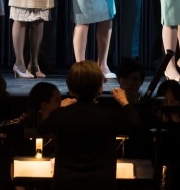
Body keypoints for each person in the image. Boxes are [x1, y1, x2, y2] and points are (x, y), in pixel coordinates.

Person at [41, 60, 142, 190]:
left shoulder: (60, 115)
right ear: (99, 87)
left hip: (66, 183)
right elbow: (136, 126)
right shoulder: (108, 116)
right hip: (100, 184)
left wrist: (59, 108)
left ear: (70, 86)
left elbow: (42, 128)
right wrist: (125, 102)